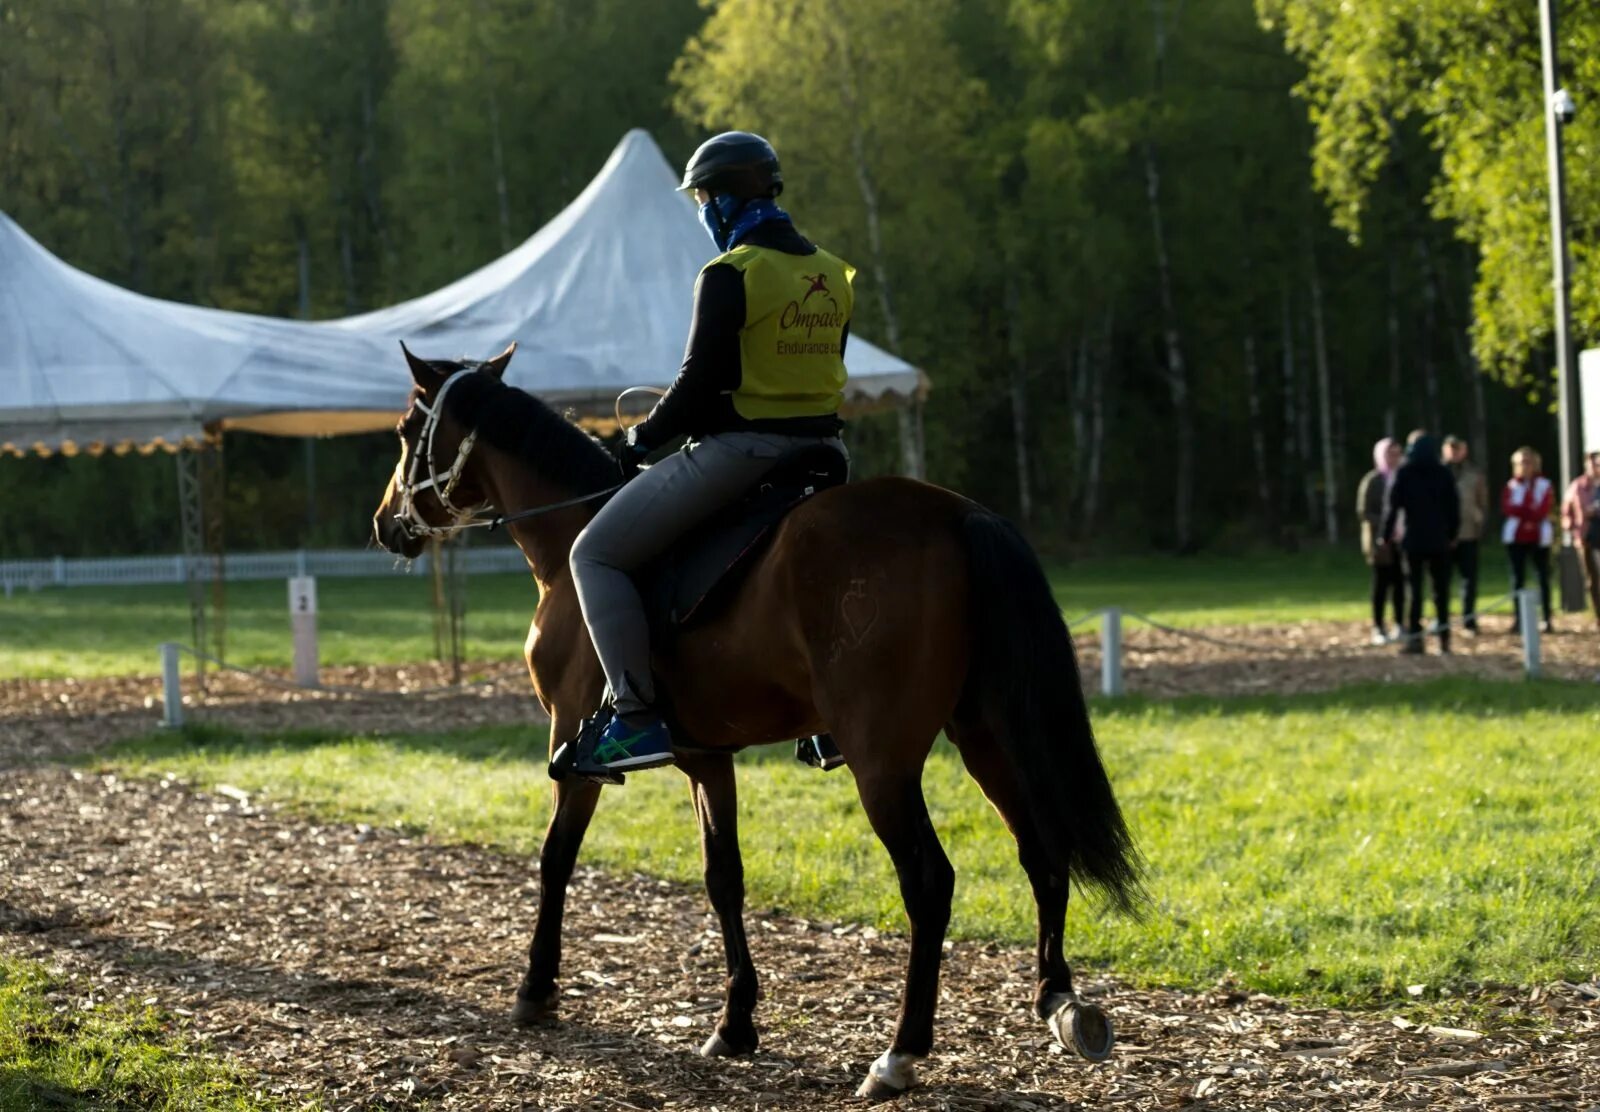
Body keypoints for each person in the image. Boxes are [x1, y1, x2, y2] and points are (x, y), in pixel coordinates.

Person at [566, 131, 854, 776]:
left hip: (746, 452)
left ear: (723, 200)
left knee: (596, 554)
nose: (701, 210)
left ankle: (635, 717)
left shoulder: (731, 273)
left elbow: (698, 384)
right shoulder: (833, 273)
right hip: (827, 455)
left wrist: (639, 439)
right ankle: (837, 715)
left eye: (702, 197)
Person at [1383, 432, 1460, 654]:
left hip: (1413, 540)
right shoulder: (1443, 473)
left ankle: (1416, 640)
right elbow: (1453, 508)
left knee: (1414, 592)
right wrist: (1452, 534)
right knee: (1441, 592)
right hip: (1439, 540)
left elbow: (1393, 507)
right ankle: (1444, 640)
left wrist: (1385, 536)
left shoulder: (1405, 473)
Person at [1356, 438, 1405, 644]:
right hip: (1380, 541)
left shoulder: (1404, 477)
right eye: (1390, 454)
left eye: (1397, 453)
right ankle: (1378, 625)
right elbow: (1364, 511)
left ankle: (1400, 623)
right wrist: (1387, 525)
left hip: (1402, 540)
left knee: (1401, 584)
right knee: (1381, 584)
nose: (1394, 458)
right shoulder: (1373, 480)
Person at [1501, 446, 1555, 634]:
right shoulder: (1512, 486)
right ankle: (1519, 619)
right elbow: (1509, 508)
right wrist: (1528, 513)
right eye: (1521, 462)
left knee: (1542, 577)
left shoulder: (1544, 484)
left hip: (1539, 537)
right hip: (1516, 537)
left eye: (1528, 462)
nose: (1525, 466)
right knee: (1517, 579)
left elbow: (1544, 507)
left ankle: (1547, 617)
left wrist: (1530, 517)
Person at [1443, 435, 1489, 633]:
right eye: (1451, 448)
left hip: (1468, 533)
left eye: (1458, 448)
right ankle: (1442, 620)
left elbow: (1482, 501)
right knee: (1442, 582)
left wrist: (1480, 523)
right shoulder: (1437, 473)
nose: (1454, 452)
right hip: (1443, 537)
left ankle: (1469, 620)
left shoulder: (1474, 474)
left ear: (1465, 450)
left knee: (1469, 580)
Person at [1560, 449, 1600, 629]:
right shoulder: (1577, 486)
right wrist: (1571, 526)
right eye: (1592, 463)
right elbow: (1566, 511)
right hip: (1586, 538)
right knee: (1592, 579)